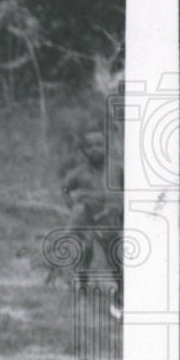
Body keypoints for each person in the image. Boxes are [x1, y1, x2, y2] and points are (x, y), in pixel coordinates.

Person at [58, 128, 124, 316]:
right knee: (84, 253)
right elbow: (65, 188)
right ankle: (83, 293)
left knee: (115, 257)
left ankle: (121, 295)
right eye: (90, 146)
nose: (95, 149)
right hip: (87, 218)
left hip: (109, 218)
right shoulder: (78, 173)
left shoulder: (117, 168)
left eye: (99, 145)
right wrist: (73, 207)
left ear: (106, 147)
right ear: (84, 150)